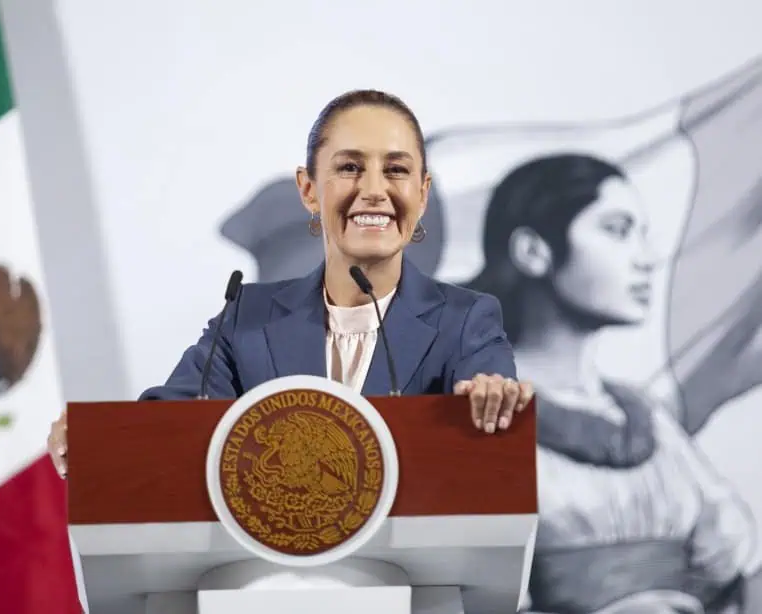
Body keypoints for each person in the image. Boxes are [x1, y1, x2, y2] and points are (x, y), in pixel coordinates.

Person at [47, 89, 535, 477]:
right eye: (349, 168)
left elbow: (489, 408)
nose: (374, 190)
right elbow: (172, 422)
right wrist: (102, 437)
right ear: (308, 190)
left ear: (422, 193)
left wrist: (494, 397)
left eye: (397, 170)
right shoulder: (249, 319)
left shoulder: (468, 320)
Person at [464, 153, 757, 613]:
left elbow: (731, 566)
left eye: (643, 234)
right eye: (617, 231)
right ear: (533, 251)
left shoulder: (646, 419)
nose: (646, 259)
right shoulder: (470, 415)